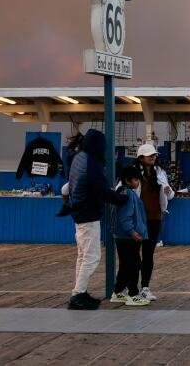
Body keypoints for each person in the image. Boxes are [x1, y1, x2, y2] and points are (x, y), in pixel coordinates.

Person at [66, 129, 127, 310]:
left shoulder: (79, 158)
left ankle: (79, 292)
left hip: (79, 215)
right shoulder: (91, 163)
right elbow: (101, 190)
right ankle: (77, 295)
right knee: (92, 257)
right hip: (88, 215)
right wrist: (121, 199)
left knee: (83, 256)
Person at [134, 143, 174, 300]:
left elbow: (170, 194)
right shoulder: (134, 173)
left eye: (154, 155)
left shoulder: (160, 172)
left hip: (154, 217)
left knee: (148, 254)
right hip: (137, 218)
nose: (153, 157)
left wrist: (169, 191)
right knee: (134, 255)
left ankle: (145, 286)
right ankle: (130, 287)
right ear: (141, 157)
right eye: (149, 155)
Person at [110, 166, 150, 307]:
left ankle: (118, 291)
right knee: (134, 265)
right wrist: (132, 232)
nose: (137, 182)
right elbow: (125, 217)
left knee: (125, 265)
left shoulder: (122, 193)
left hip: (122, 236)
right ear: (127, 180)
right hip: (129, 237)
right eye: (135, 179)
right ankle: (133, 294)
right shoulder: (128, 195)